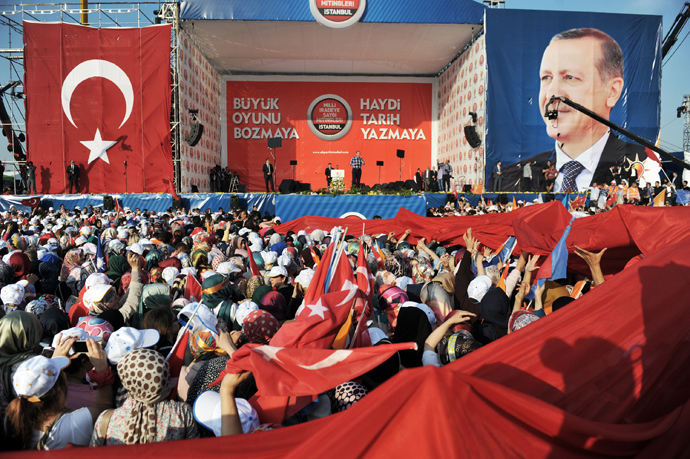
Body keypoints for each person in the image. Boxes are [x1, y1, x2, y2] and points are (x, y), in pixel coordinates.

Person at [499, 28, 646, 192]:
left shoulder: (644, 165)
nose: (551, 93)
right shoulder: (511, 179)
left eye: (570, 77)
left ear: (612, 91)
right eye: (546, 78)